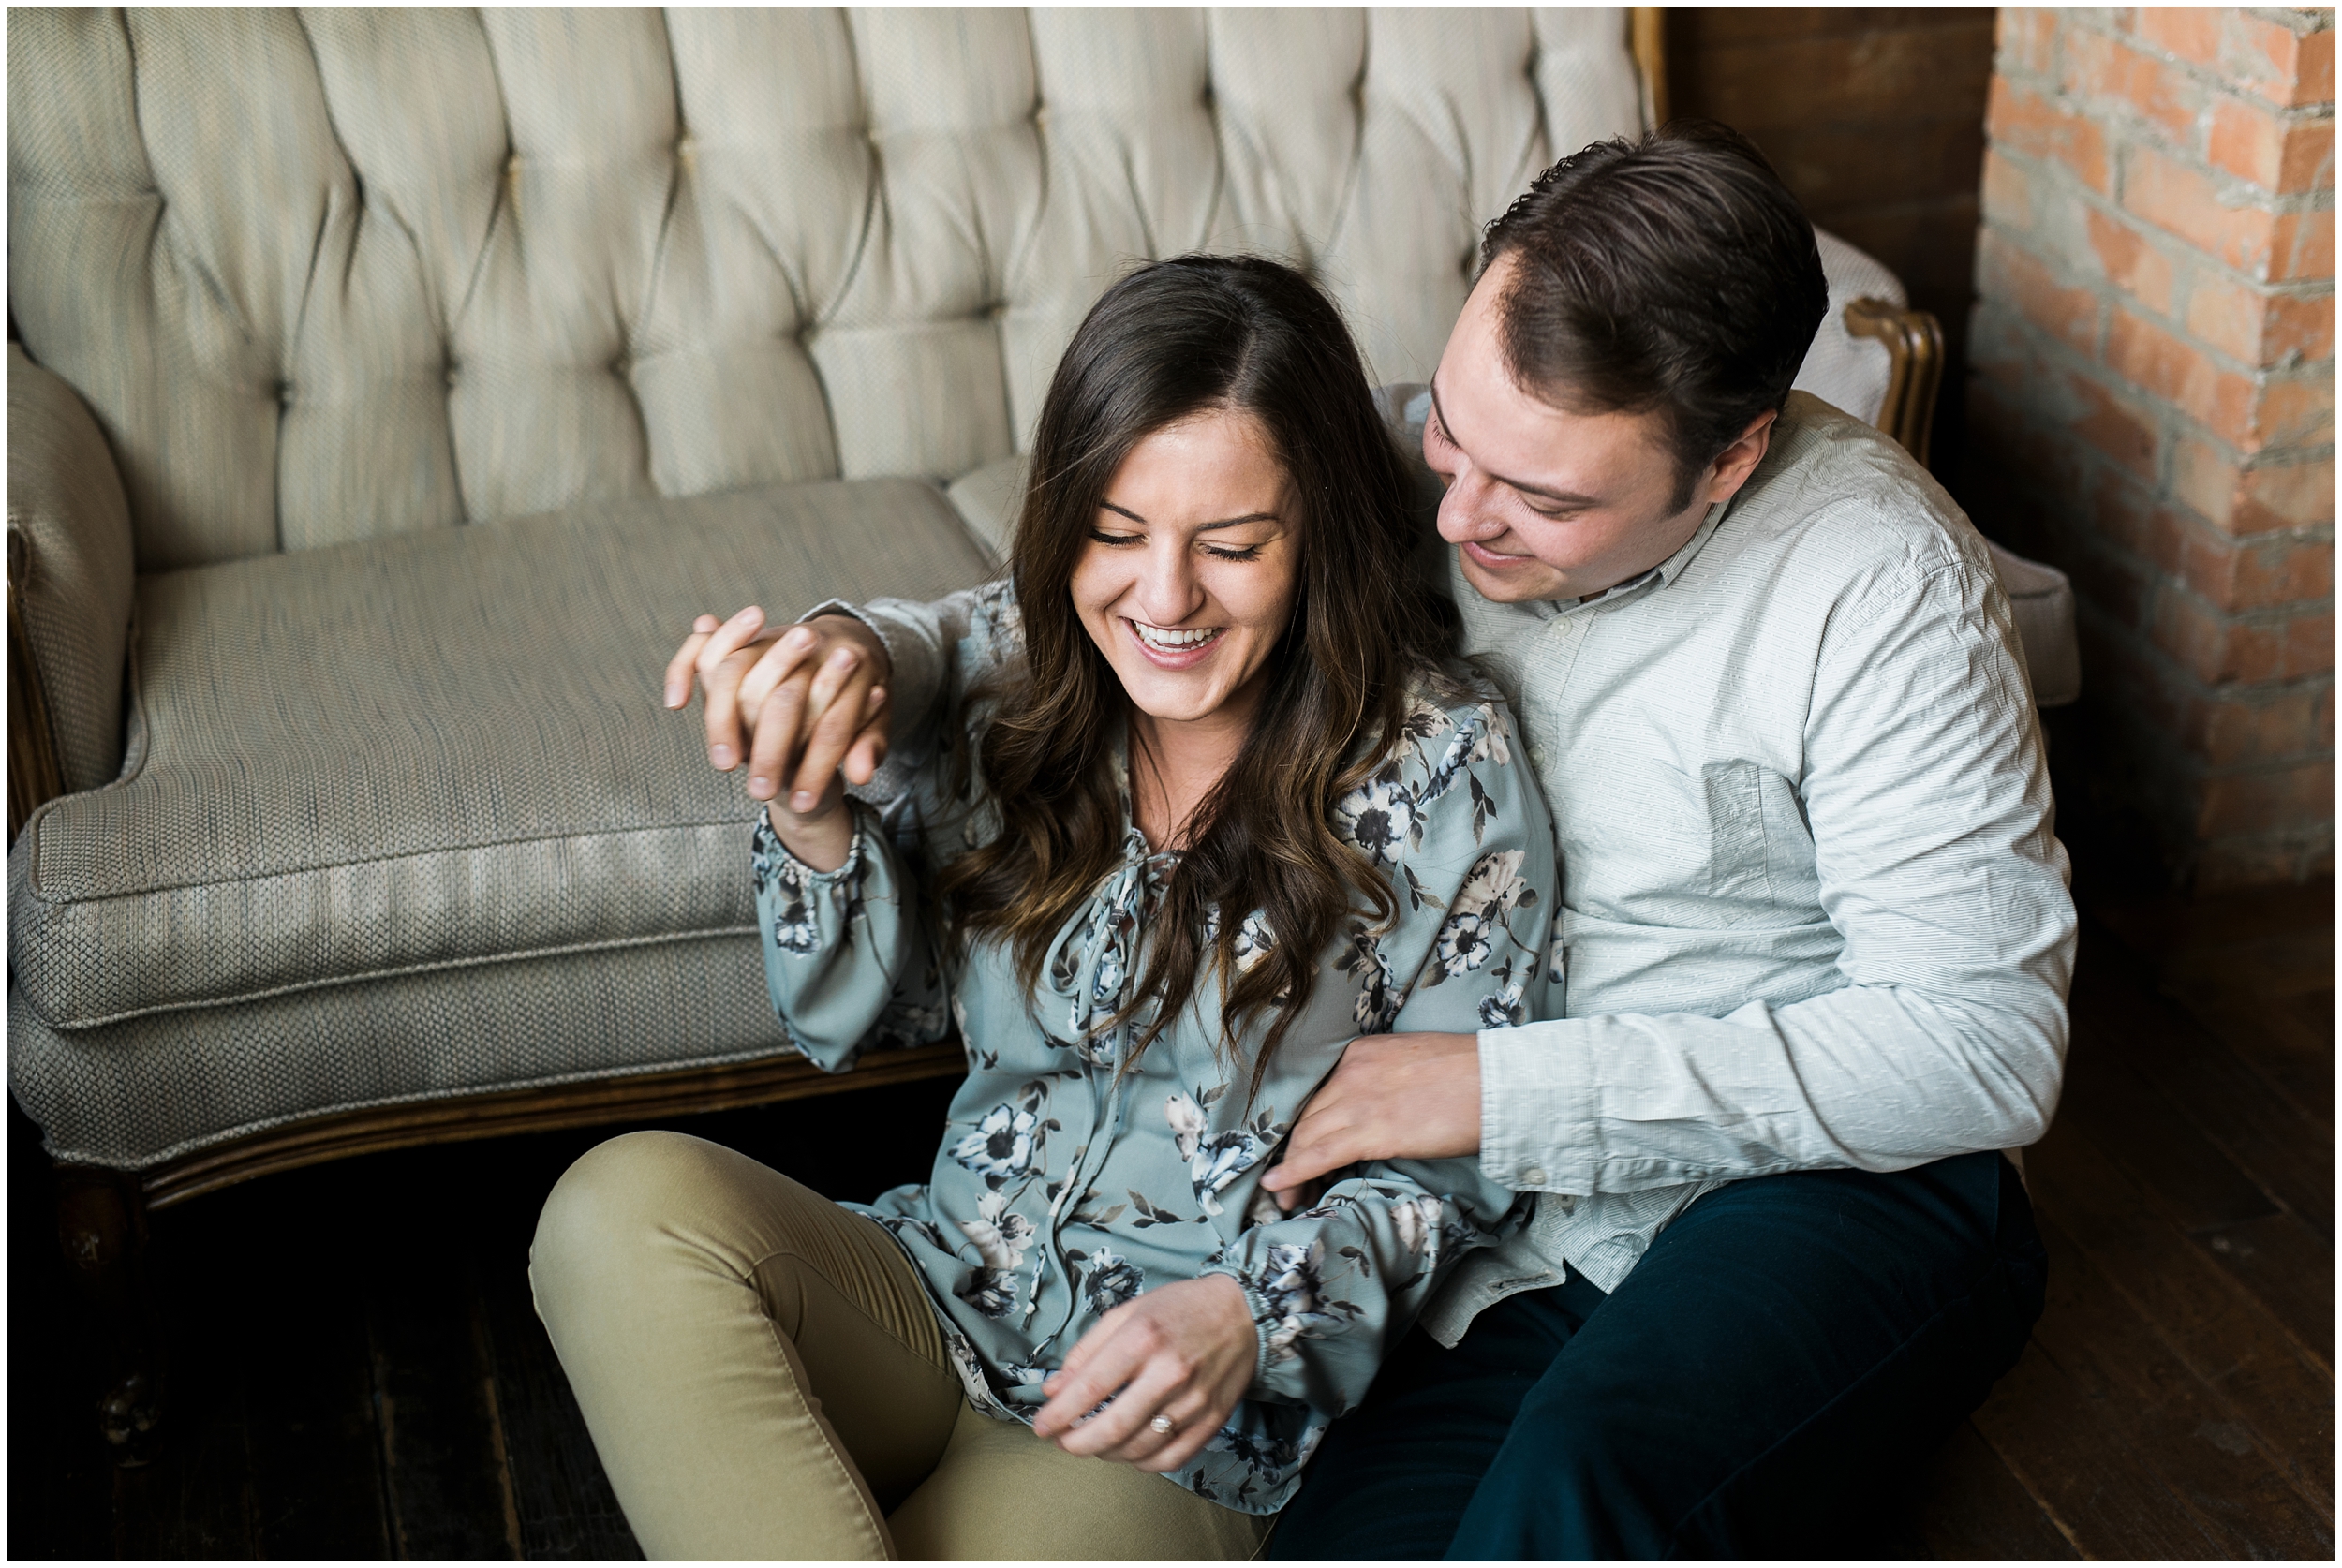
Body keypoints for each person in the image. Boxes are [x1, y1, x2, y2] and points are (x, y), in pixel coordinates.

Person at [741, 123, 2073, 1558]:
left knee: (1571, 1489)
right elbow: (1105, 588)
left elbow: (1981, 1048)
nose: (1451, 513)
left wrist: (1500, 1086)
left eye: (1546, 501)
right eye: (1450, 424)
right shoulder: (1425, 456)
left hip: (1817, 1180)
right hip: (1518, 1234)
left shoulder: (1880, 586)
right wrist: (862, 648)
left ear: (1731, 457)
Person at [530, 255, 1561, 1561]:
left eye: (1233, 545)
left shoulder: (1443, 768)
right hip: (936, 1292)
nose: (1164, 597)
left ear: (1324, 534)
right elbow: (854, 1015)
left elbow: (1462, 1162)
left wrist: (1251, 1314)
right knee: (615, 1208)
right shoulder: (1028, 668)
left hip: (1177, 1423)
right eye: (1118, 534)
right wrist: (805, 799)